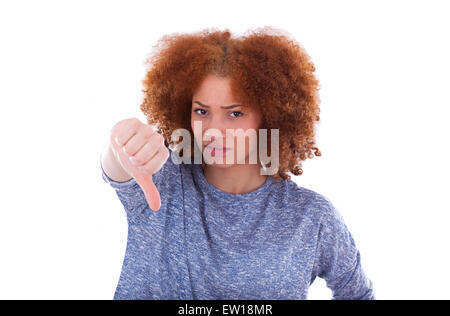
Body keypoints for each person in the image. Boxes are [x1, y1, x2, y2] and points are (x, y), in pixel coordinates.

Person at [100, 27, 375, 300]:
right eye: (201, 111)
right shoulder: (162, 181)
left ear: (269, 116)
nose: (214, 130)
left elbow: (358, 294)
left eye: (235, 113)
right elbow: (119, 168)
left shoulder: (311, 217)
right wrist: (119, 145)